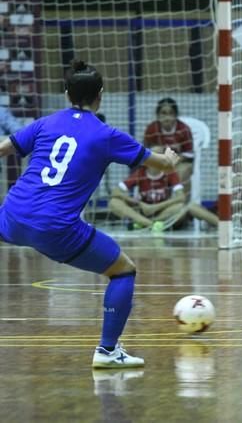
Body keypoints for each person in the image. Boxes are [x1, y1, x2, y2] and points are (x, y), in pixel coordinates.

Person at [0, 59, 179, 368]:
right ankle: (108, 352)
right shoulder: (106, 134)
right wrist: (170, 158)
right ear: (101, 95)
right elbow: (159, 165)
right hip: (56, 228)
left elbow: (3, 148)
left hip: (12, 214)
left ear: (67, 93)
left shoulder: (46, 122)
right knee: (123, 271)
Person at [108, 145, 219, 231]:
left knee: (183, 206)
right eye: (150, 154)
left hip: (163, 213)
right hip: (143, 211)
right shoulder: (140, 173)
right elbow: (116, 192)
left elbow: (181, 197)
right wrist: (135, 202)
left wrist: (155, 207)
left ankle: (224, 226)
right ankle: (149, 224)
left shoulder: (169, 172)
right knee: (114, 202)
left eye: (157, 154)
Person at [143, 97, 194, 195]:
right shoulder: (151, 129)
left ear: (176, 115)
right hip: (158, 162)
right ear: (158, 115)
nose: (167, 117)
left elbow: (189, 155)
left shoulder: (184, 129)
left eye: (171, 113)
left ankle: (181, 204)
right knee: (155, 150)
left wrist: (173, 160)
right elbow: (145, 153)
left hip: (180, 162)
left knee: (183, 172)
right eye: (164, 113)